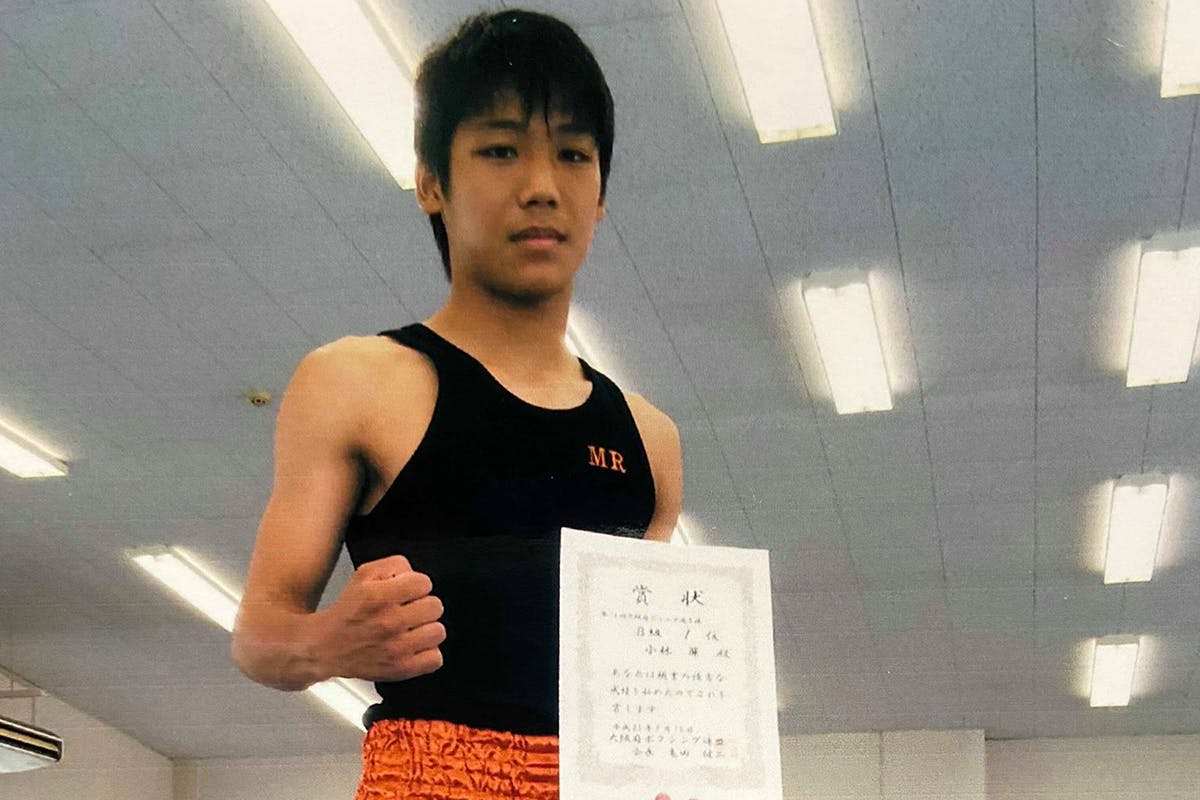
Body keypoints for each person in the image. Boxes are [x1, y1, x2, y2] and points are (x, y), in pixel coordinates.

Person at [231, 9, 694, 800]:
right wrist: (327, 643)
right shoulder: (358, 383)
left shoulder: (651, 439)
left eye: (573, 155)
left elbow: (643, 682)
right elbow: (258, 634)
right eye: (501, 150)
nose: (542, 187)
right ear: (431, 183)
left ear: (600, 195)